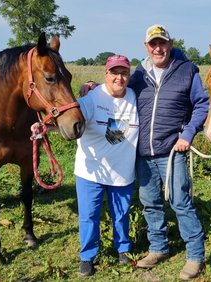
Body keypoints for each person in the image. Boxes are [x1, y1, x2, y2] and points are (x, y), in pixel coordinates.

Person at [129, 24, 209, 280]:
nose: (158, 48)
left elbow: (202, 104)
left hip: (172, 151)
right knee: (150, 203)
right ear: (146, 47)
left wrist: (187, 135)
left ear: (170, 44)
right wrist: (92, 89)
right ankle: (158, 248)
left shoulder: (187, 71)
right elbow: (119, 96)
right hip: (143, 153)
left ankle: (195, 255)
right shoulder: (139, 75)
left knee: (180, 202)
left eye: (162, 43)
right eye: (153, 44)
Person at [74, 54, 139, 276]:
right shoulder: (92, 98)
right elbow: (70, 117)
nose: (119, 78)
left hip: (122, 170)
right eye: (114, 73)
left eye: (124, 73)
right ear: (106, 74)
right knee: (89, 215)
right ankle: (87, 256)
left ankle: (123, 249)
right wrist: (44, 126)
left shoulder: (134, 96)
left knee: (121, 213)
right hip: (91, 169)